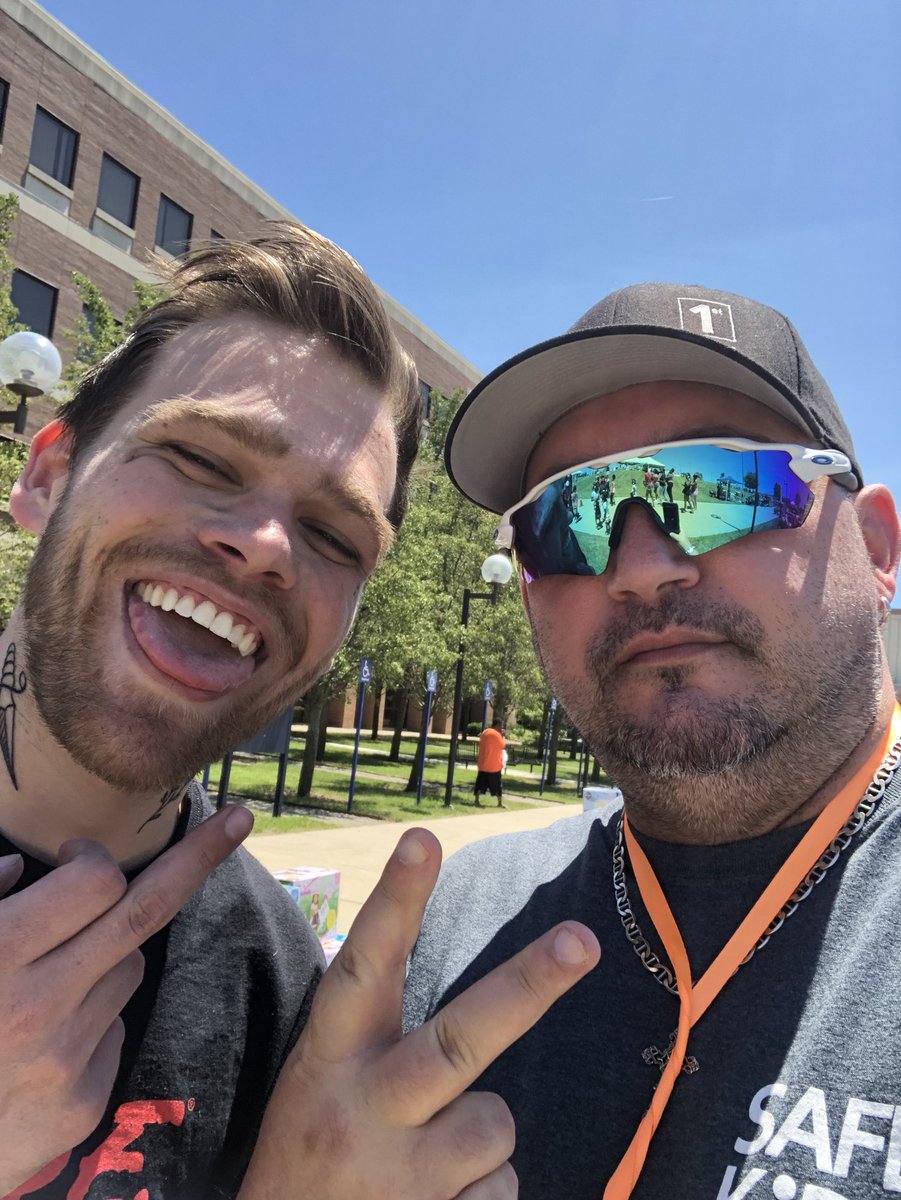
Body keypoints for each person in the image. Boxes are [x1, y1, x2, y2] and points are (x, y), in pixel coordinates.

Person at [404, 282, 901, 1199]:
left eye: (719, 487)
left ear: (875, 549)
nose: (639, 568)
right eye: (567, 521)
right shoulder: (452, 922)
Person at [0, 221, 429, 1198]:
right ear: (47, 476)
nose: (269, 544)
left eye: (334, 535)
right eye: (200, 457)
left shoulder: (287, 1002)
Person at [474, 719, 506, 807]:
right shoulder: (496, 735)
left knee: (480, 784)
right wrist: (502, 736)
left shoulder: (485, 732)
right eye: (501, 726)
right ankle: (499, 803)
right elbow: (502, 745)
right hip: (493, 766)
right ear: (497, 725)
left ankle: (476, 801)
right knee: (497, 786)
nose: (501, 728)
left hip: (483, 764)